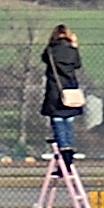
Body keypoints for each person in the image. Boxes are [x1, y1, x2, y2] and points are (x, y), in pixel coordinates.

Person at [39, 24, 86, 167]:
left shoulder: (50, 51)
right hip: (70, 89)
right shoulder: (72, 51)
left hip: (55, 90)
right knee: (68, 120)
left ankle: (63, 148)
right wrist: (74, 45)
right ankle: (69, 148)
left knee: (58, 119)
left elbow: (43, 58)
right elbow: (77, 65)